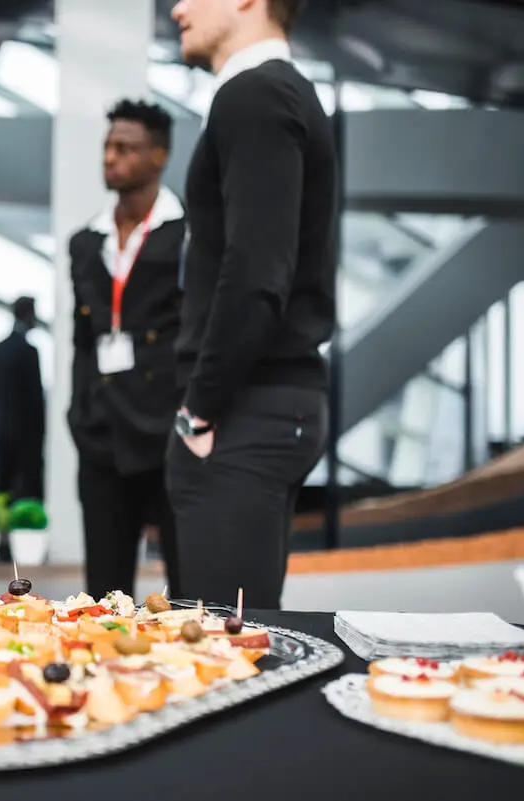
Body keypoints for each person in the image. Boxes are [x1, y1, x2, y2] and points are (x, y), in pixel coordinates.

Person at [167, 0, 336, 609]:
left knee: (225, 656)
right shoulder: (281, 94)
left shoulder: (254, 95)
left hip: (242, 409)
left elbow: (258, 274)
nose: (177, 8)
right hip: (263, 406)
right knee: (224, 642)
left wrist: (199, 411)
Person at [66, 99, 186, 601]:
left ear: (158, 156)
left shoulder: (188, 236)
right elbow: (82, 342)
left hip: (167, 436)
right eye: (107, 146)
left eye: (125, 148)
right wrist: (80, 415)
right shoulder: (84, 243)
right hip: (102, 437)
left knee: (186, 589)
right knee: (102, 594)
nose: (110, 157)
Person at [0, 297, 45, 503]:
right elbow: (35, 400)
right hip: (25, 437)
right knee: (26, 492)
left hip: (1, 431)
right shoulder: (29, 352)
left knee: (2, 489)